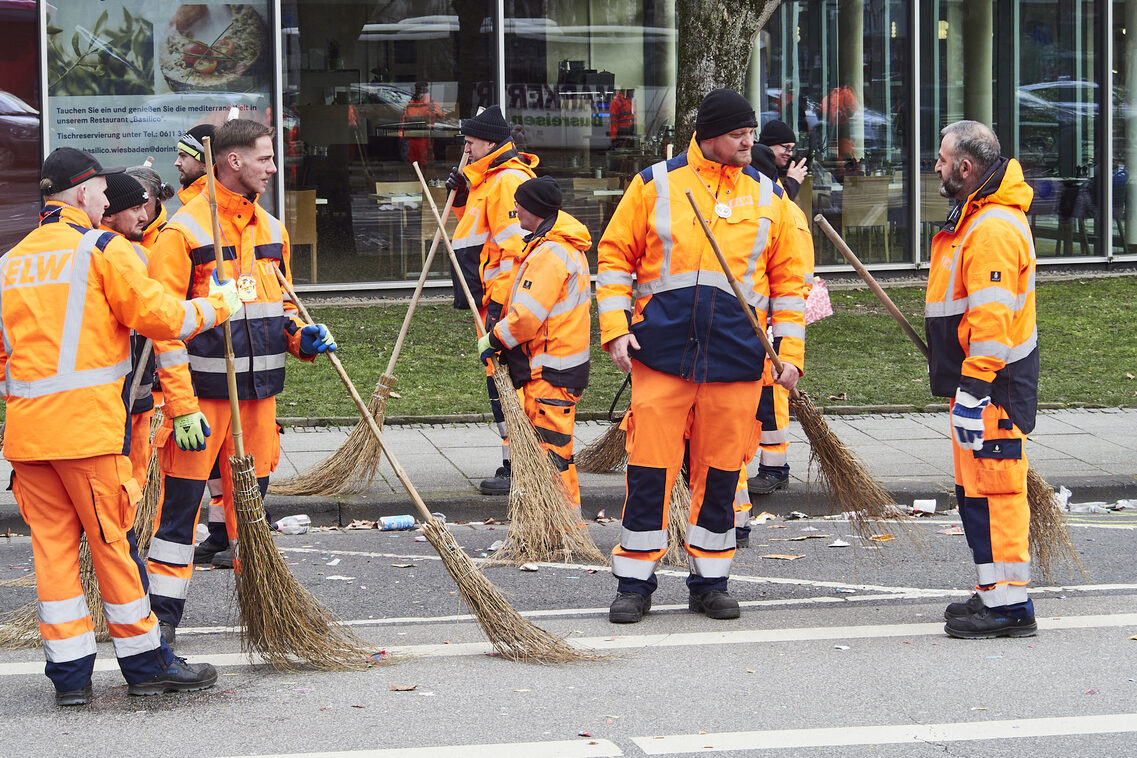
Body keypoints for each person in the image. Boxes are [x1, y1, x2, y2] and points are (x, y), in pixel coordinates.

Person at [1, 147, 239, 704]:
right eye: (104, 192)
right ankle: (147, 666)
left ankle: (70, 682)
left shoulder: (11, 261)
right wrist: (218, 305)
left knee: (54, 559)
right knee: (113, 547)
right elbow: (162, 317)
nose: (109, 202)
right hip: (87, 434)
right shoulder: (101, 248)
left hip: (28, 442)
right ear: (82, 193)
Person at [596, 89, 809, 624]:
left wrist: (789, 353)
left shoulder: (770, 196)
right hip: (661, 354)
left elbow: (788, 284)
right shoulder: (655, 184)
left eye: (751, 133)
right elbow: (615, 258)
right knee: (649, 470)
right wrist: (616, 330)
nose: (749, 141)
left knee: (719, 473)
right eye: (739, 133)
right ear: (709, 133)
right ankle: (634, 583)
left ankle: (711, 581)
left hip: (737, 359)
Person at [145, 119, 336, 641]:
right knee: (178, 523)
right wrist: (180, 408)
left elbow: (282, 305)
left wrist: (302, 337)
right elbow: (163, 329)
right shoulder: (182, 233)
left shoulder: (272, 230)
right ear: (233, 161)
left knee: (249, 521)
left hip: (257, 403)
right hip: (201, 406)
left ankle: (264, 617)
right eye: (266, 159)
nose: (274, 168)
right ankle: (160, 628)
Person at [927, 120, 1039, 639]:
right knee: (977, 493)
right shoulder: (977, 217)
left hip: (991, 387)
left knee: (993, 494)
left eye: (943, 160)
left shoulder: (992, 227)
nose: (937, 167)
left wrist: (973, 387)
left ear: (966, 168)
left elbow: (992, 323)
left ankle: (1010, 607)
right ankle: (994, 592)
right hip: (980, 385)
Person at [476, 176, 592, 512]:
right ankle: (556, 525)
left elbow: (526, 318)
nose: (514, 209)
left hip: (551, 370)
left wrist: (494, 339)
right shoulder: (554, 246)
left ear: (534, 210)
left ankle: (561, 528)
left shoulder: (550, 254)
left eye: (518, 204)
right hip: (556, 368)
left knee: (550, 457)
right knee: (551, 454)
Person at [445, 105, 539, 495]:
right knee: (499, 384)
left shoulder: (506, 181)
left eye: (470, 142)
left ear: (489, 141)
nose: (465, 149)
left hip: (500, 303)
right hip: (488, 301)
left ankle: (521, 464)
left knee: (509, 384)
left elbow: (514, 250)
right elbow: (474, 229)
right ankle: (513, 462)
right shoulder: (487, 179)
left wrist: (500, 307)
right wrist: (462, 196)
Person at [99, 172, 159, 490]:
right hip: (105, 404)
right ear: (108, 213)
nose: (143, 216)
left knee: (133, 481)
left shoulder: (144, 256)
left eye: (144, 206)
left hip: (138, 396)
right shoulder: (95, 255)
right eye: (134, 208)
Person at [126, 164, 176, 248]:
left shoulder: (170, 239)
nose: (129, 205)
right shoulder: (109, 236)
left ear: (157, 202)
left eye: (142, 201)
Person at [757, 119, 808, 202]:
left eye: (792, 149)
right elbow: (775, 205)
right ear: (770, 144)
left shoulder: (771, 170)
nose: (790, 154)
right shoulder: (757, 171)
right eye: (786, 147)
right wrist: (793, 181)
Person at [399, 81, 448, 166]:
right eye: (419, 89)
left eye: (422, 90)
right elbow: (404, 120)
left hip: (425, 137)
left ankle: (424, 175)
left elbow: (442, 116)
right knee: (413, 160)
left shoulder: (431, 104)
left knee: (424, 160)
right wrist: (402, 134)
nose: (420, 92)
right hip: (413, 137)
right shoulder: (410, 104)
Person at [173, 123, 215, 204]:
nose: (176, 163)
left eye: (183, 156)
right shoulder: (195, 202)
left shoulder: (212, 204)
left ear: (206, 163)